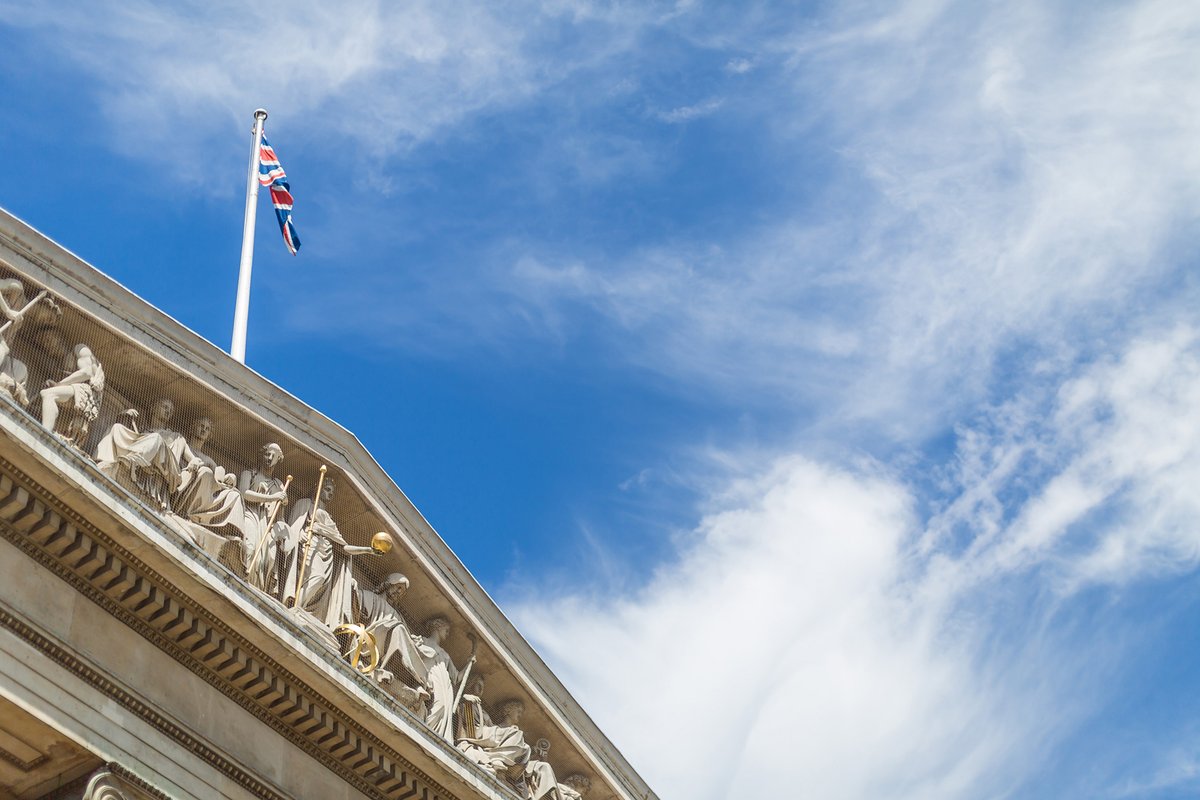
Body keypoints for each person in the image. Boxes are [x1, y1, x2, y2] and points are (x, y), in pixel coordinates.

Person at [280, 477, 379, 626]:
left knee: (319, 583)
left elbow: (344, 548)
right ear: (318, 488)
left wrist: (368, 550)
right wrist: (300, 534)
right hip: (309, 546)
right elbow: (294, 525)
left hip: (326, 554)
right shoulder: (305, 504)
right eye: (327, 490)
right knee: (317, 577)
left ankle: (303, 610)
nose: (330, 494)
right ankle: (294, 607)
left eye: (332, 493)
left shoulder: (329, 519)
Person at [94, 397, 197, 510]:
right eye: (165, 407)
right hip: (144, 457)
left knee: (156, 438)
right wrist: (123, 416)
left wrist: (194, 461)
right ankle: (101, 462)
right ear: (153, 408)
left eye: (170, 410)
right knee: (117, 428)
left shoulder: (176, 436)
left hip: (165, 466)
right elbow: (131, 442)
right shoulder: (143, 430)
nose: (168, 411)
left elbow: (192, 458)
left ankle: (132, 462)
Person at [457, 682, 533, 783]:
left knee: (526, 747)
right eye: (518, 711)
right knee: (517, 734)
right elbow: (470, 720)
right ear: (508, 710)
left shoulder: (510, 731)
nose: (520, 715)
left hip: (492, 735)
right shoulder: (479, 710)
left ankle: (500, 761)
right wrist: (467, 700)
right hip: (482, 732)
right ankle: (498, 759)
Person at [238, 443, 289, 591]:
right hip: (250, 515)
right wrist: (273, 498)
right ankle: (242, 579)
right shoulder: (249, 474)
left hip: (267, 525)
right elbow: (243, 493)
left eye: (274, 456)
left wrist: (284, 532)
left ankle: (258, 589)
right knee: (250, 547)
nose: (270, 458)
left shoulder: (279, 485)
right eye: (267, 454)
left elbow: (280, 517)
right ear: (262, 455)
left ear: (278, 460)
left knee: (269, 559)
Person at [40, 343, 104, 443]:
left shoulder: (80, 348)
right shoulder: (62, 361)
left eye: (51, 342)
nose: (51, 347)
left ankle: (44, 434)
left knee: (48, 395)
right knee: (47, 394)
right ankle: (48, 430)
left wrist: (58, 385)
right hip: (76, 389)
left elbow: (86, 373)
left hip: (85, 390)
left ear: (60, 341)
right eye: (46, 345)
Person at [414, 616, 460, 741]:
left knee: (444, 707)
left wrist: (470, 661)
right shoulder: (423, 640)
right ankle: (427, 727)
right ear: (438, 627)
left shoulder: (445, 654)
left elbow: (456, 677)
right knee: (438, 705)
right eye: (446, 630)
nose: (448, 633)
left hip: (445, 682)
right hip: (431, 676)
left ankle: (437, 735)